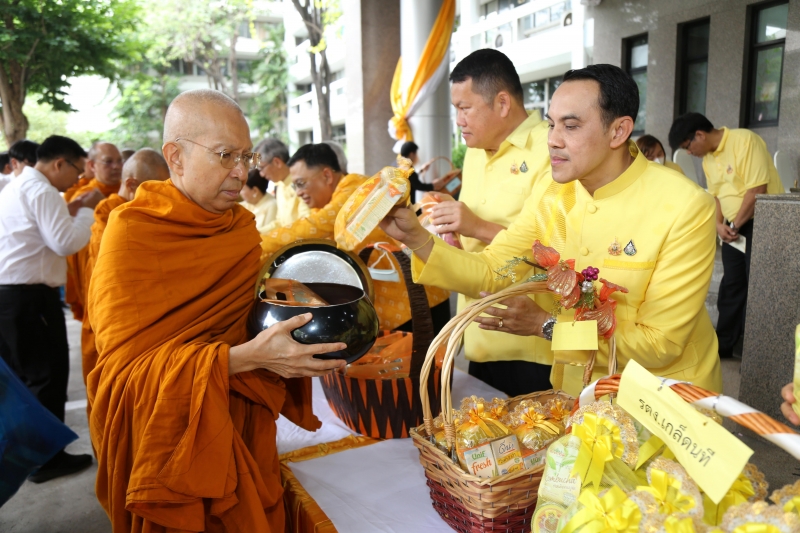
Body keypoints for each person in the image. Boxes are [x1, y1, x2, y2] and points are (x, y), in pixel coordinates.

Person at [87, 89, 346, 531]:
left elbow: (252, 311)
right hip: (171, 440)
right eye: (226, 155)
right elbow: (122, 378)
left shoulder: (240, 230)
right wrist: (241, 359)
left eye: (245, 156)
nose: (241, 172)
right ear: (177, 156)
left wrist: (318, 312)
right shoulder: (133, 234)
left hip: (239, 425)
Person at [381, 64, 722, 396]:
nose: (553, 141)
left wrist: (545, 325)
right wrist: (416, 237)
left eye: (570, 126)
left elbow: (660, 343)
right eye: (551, 125)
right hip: (577, 391)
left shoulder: (686, 207)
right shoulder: (555, 193)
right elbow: (494, 268)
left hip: (660, 401)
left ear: (618, 131)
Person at [414, 48, 554, 396]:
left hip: (531, 340)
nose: (458, 120)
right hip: (479, 328)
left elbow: (559, 252)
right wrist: (451, 227)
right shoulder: (475, 152)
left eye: (465, 108)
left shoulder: (552, 151)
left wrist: (475, 225)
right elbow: (470, 227)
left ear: (503, 103)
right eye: (455, 110)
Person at [260, 143, 452, 333]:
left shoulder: (354, 189)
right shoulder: (325, 203)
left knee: (430, 362)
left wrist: (255, 245)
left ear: (327, 175)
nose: (298, 192)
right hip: (392, 307)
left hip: (421, 301)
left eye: (301, 183)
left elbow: (313, 227)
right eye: (295, 186)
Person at [0, 135, 103, 483]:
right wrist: (87, 207)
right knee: (47, 376)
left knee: (29, 377)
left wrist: (71, 210)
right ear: (59, 163)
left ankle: (34, 453)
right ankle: (46, 460)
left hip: (13, 296)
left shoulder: (21, 185)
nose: (78, 179)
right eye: (77, 169)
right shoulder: (41, 190)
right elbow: (66, 242)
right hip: (29, 297)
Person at [669, 113, 785, 359]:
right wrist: (719, 225)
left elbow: (757, 189)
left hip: (762, 223)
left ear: (699, 135)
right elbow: (717, 196)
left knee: (757, 286)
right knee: (731, 285)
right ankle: (723, 345)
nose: (689, 153)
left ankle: (752, 350)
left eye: (687, 146)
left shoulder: (745, 141)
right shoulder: (707, 160)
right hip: (734, 229)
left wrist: (734, 224)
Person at [80, 148, 170, 387]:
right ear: (131, 184)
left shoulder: (147, 213)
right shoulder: (108, 215)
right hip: (111, 322)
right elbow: (114, 274)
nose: (162, 199)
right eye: (155, 191)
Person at [63, 142, 124, 321]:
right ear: (91, 165)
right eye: (108, 161)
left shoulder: (130, 191)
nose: (116, 167)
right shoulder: (84, 196)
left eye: (120, 161)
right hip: (93, 272)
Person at [256, 138, 310, 232]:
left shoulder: (301, 183)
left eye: (261, 168)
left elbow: (306, 222)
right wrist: (257, 233)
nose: (261, 174)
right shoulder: (280, 186)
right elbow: (280, 222)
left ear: (277, 162)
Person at [241, 169, 277, 233]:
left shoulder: (272, 205)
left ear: (255, 191)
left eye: (243, 189)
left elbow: (269, 233)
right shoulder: (249, 203)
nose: (240, 193)